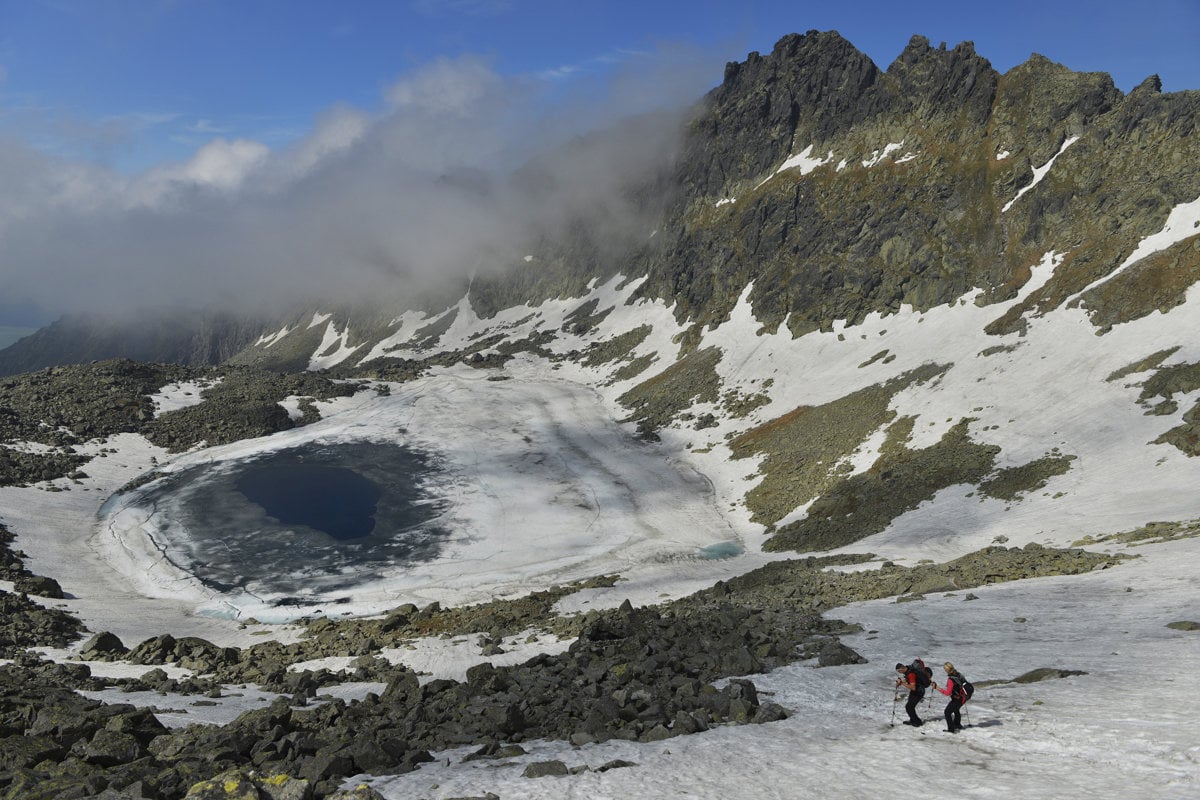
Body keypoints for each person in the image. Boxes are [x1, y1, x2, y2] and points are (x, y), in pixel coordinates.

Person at [933, 661, 966, 733]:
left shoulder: (951, 679)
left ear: (947, 670)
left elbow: (948, 693)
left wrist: (937, 688)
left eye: (945, 669)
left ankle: (951, 729)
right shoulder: (959, 674)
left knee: (947, 712)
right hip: (963, 697)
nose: (944, 670)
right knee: (956, 710)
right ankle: (957, 724)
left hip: (956, 698)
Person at [894, 662, 926, 726]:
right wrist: (902, 682)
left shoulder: (911, 673)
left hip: (919, 691)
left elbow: (913, 687)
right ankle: (912, 720)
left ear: (901, 669)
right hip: (917, 690)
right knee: (910, 706)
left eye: (899, 671)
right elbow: (909, 680)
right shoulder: (908, 669)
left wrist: (902, 683)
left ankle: (918, 722)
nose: (900, 673)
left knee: (909, 707)